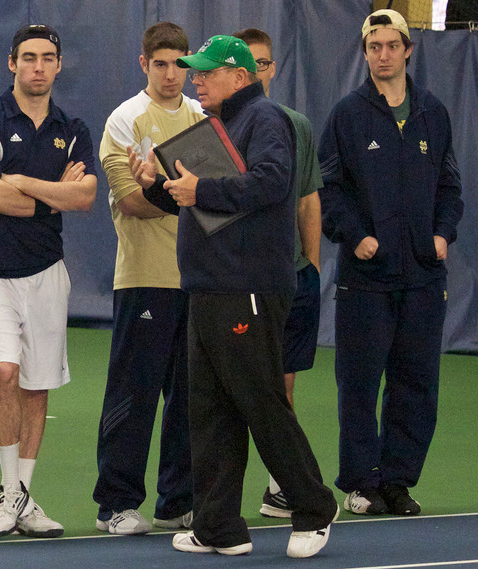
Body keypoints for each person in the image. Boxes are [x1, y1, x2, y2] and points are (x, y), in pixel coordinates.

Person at [130, 34, 337, 558]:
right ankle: (219, 526)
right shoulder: (216, 126)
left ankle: (315, 506)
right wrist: (157, 184)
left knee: (260, 399)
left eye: (205, 72)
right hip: (208, 286)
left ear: (240, 76)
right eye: (194, 72)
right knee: (211, 408)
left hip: (247, 287)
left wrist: (201, 190)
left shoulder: (265, 120)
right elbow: (200, 204)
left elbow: (271, 182)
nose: (195, 79)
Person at [318, 9, 463, 517]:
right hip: (366, 280)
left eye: (391, 45)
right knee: (358, 384)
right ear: (365, 53)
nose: (382, 55)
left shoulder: (433, 113)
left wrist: (442, 235)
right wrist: (355, 236)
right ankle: (361, 483)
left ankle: (398, 482)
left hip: (424, 277)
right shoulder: (346, 115)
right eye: (373, 46)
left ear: (407, 49)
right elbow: (328, 191)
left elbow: (450, 188)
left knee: (417, 383)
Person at [0, 24, 97, 540]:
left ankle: (21, 495)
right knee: (3, 373)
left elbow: (84, 197)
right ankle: (10, 490)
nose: (38, 66)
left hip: (47, 272)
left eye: (47, 58)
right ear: (12, 64)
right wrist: (49, 195)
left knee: (37, 385)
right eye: (28, 58)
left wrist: (20, 181)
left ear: (58, 65)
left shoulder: (73, 126)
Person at [92, 22, 200, 536]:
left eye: (180, 63)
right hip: (143, 279)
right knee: (133, 395)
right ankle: (114, 504)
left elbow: (216, 196)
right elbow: (130, 203)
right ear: (144, 64)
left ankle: (177, 501)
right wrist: (174, 192)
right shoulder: (125, 120)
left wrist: (166, 187)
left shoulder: (201, 117)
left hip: (196, 282)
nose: (171, 73)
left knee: (189, 397)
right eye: (161, 63)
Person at [232, 27, 323, 520]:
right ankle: (206, 502)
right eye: (250, 63)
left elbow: (309, 199)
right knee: (233, 393)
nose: (258, 72)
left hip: (288, 281)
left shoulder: (296, 125)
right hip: (234, 285)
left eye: (265, 63)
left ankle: (282, 489)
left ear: (269, 69)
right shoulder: (215, 125)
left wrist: (307, 267)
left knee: (281, 388)